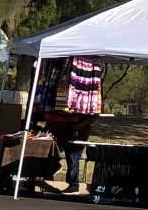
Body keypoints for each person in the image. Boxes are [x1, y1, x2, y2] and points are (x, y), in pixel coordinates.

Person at [38, 57, 101, 193]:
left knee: (73, 157)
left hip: (76, 129)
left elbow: (94, 114)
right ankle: (49, 176)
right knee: (54, 154)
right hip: (60, 127)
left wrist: (79, 126)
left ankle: (73, 185)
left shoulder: (88, 87)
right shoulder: (59, 79)